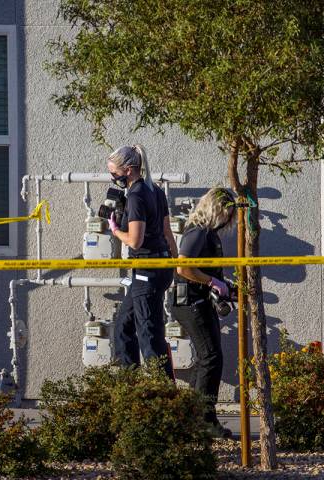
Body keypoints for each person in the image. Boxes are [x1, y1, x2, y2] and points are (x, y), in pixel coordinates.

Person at [107, 144, 178, 378]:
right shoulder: (155, 190)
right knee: (123, 328)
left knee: (149, 336)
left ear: (128, 170)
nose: (112, 178)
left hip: (146, 270)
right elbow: (167, 232)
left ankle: (165, 396)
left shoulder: (137, 194)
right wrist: (173, 264)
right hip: (159, 267)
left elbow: (135, 241)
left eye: (114, 173)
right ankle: (130, 389)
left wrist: (116, 230)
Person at [172, 187, 235, 438]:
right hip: (190, 303)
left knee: (205, 357)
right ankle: (205, 420)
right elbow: (183, 267)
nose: (229, 220)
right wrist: (211, 282)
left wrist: (224, 286)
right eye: (227, 213)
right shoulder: (197, 232)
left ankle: (196, 417)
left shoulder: (209, 234)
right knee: (211, 357)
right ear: (216, 210)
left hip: (199, 301)